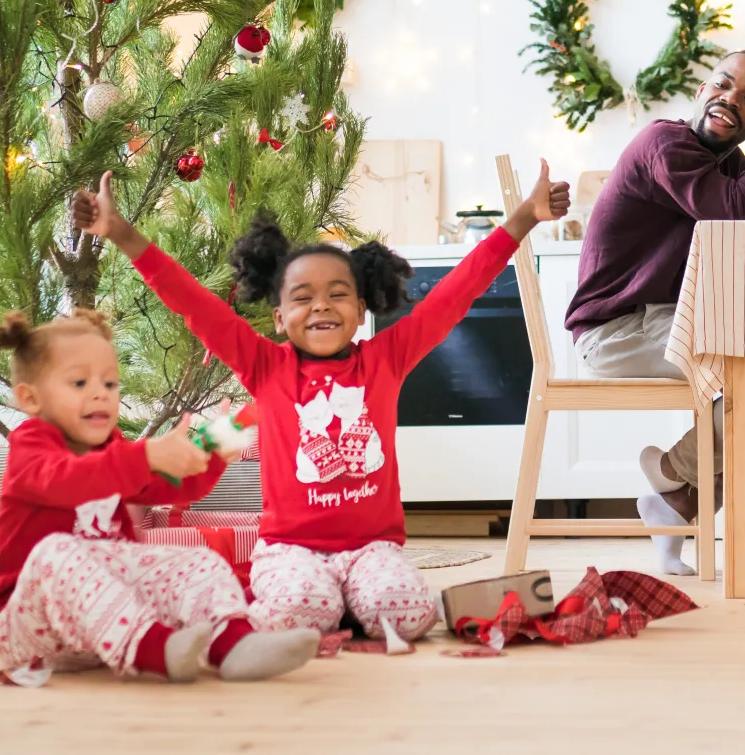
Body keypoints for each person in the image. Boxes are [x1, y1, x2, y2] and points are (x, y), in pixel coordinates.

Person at [77, 164, 570, 639]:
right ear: (277, 317)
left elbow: (456, 292)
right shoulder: (264, 366)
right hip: (289, 550)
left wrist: (523, 219)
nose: (320, 305)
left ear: (361, 310)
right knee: (299, 609)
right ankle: (320, 602)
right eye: (303, 297)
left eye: (338, 294)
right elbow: (190, 301)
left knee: (410, 616)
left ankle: (349, 600)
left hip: (372, 549)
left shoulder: (387, 359)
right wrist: (121, 232)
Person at [565, 49, 745, 575]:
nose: (731, 100)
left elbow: (738, 231)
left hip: (664, 321)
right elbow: (742, 214)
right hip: (617, 329)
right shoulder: (667, 144)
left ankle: (676, 496)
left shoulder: (723, 164)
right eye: (723, 85)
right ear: (703, 87)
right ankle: (670, 474)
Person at [0, 309, 321, 683]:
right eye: (79, 383)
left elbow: (167, 486)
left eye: (110, 384)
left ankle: (234, 645)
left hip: (101, 630)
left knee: (199, 561)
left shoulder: (114, 448)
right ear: (31, 398)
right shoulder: (31, 447)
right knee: (56, 550)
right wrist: (145, 456)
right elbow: (64, 480)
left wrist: (207, 459)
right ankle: (156, 649)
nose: (100, 393)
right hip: (30, 631)